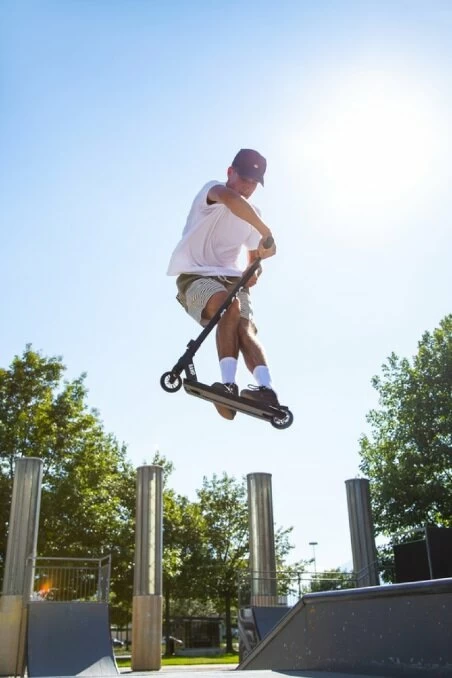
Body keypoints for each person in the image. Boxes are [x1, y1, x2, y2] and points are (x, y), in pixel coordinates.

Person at [167, 148, 278, 420]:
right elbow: (231, 200)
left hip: (232, 280)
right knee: (227, 307)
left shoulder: (255, 213)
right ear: (230, 172)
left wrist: (256, 269)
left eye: (253, 183)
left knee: (245, 327)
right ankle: (228, 384)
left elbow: (253, 259)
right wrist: (267, 232)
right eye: (244, 179)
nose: (247, 187)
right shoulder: (214, 191)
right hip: (196, 276)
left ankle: (266, 389)